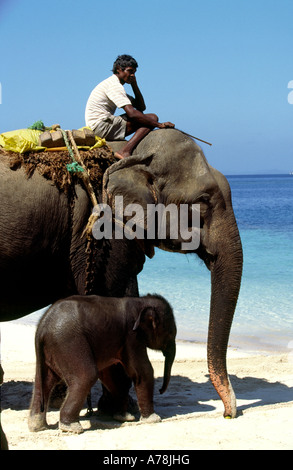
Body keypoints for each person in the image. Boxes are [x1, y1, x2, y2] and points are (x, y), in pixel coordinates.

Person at [85, 55, 175, 159]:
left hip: (99, 125)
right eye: (130, 71)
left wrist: (134, 84)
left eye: (134, 73)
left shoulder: (115, 86)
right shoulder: (114, 86)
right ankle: (125, 151)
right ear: (119, 69)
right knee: (152, 118)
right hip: (101, 126)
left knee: (147, 117)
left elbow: (141, 106)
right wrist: (159, 124)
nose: (132, 75)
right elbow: (132, 114)